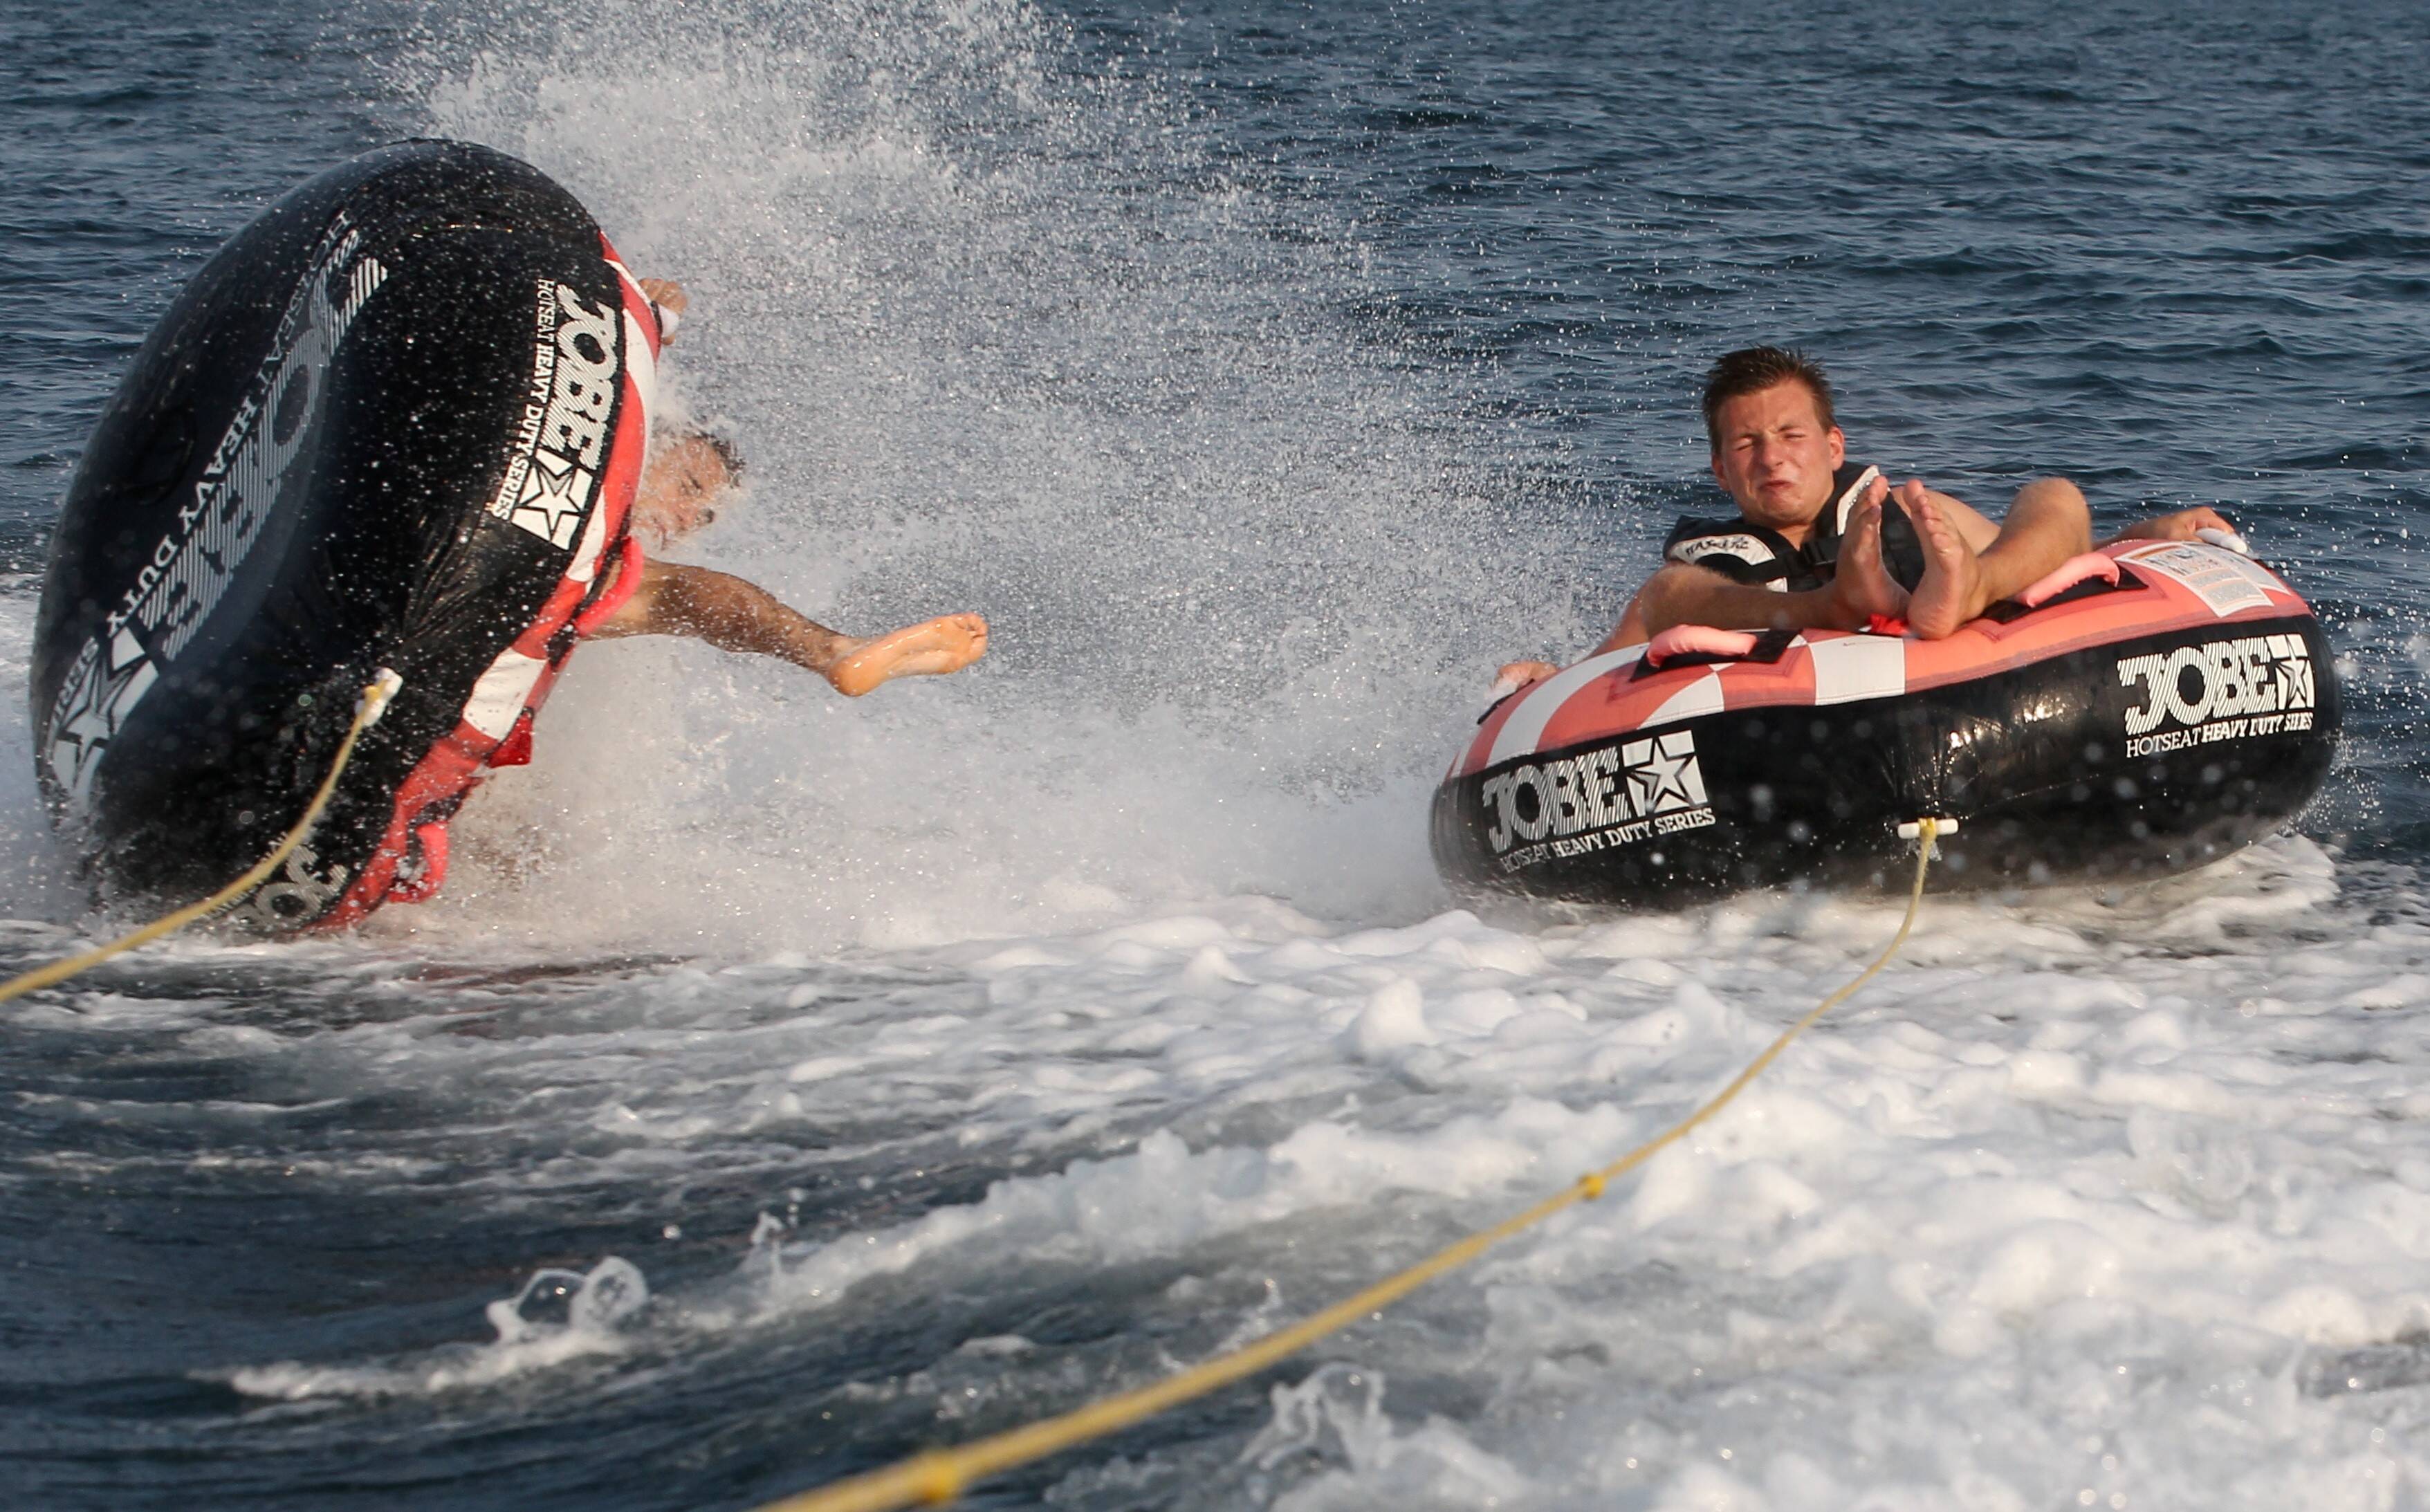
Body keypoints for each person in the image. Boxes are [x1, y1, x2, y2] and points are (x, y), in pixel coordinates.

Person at [1498, 346, 2234, 690]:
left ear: (1833, 446)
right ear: (1721, 470)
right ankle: (1837, 601)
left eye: (1791, 437)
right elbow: (1612, 669)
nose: (1772, 459)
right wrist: (1550, 681)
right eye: (1747, 444)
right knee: (1667, 592)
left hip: (1933, 601)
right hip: (1784, 625)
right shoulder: (1705, 564)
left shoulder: (1898, 512)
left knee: (2058, 497)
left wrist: (2138, 542)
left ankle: (1967, 589)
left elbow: (2053, 558)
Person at [589, 280, 988, 697]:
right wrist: (639, 314)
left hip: (550, 593)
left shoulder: (609, 569)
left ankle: (837, 651)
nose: (689, 518)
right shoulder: (590, 430)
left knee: (685, 591)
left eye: (705, 518)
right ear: (649, 446)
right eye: (688, 488)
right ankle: (834, 652)